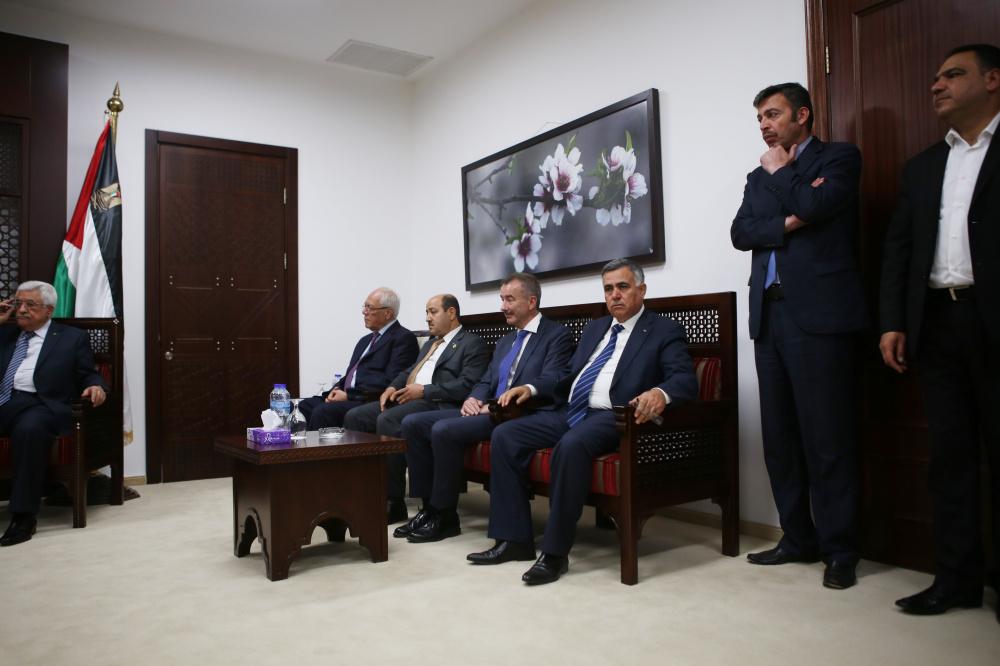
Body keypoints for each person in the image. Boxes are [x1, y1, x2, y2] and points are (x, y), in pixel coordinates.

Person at [466, 259, 697, 585]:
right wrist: (531, 388)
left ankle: (555, 553)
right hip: (570, 410)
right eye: (608, 289)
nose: (615, 295)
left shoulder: (662, 330)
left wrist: (659, 393)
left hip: (614, 415)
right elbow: (565, 375)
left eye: (623, 287)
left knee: (571, 446)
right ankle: (514, 540)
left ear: (642, 290)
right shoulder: (596, 328)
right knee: (506, 434)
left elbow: (684, 379)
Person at [879, 44, 1000, 619]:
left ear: (993, 80)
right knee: (949, 460)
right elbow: (899, 249)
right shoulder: (924, 166)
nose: (937, 85)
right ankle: (956, 580)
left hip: (993, 319)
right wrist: (893, 321)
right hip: (937, 324)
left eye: (953, 74)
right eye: (935, 77)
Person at [730, 82, 867, 590]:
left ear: (802, 114)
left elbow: (818, 204)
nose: (764, 126)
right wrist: (790, 220)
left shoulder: (839, 158)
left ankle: (840, 550)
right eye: (759, 118)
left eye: (772, 114)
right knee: (780, 440)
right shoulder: (757, 176)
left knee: (827, 438)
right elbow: (741, 233)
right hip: (769, 317)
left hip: (821, 317)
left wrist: (784, 179)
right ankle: (796, 538)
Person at [396, 273, 572, 543]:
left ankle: (444, 515)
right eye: (502, 299)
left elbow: (553, 378)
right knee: (413, 423)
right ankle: (428, 507)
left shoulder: (556, 336)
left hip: (516, 412)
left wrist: (508, 399)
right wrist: (474, 398)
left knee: (443, 430)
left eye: (510, 299)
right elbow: (486, 380)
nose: (503, 306)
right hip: (486, 409)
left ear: (531, 302)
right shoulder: (506, 341)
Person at [344, 294, 488, 524]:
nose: (428, 318)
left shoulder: (471, 343)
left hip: (437, 401)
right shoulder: (431, 343)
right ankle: (364, 491)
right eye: (426, 312)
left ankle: (393, 500)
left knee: (388, 420)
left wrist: (425, 391)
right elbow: (409, 370)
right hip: (410, 397)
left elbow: (467, 384)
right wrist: (392, 387)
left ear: (451, 313)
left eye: (433, 312)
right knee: (355, 416)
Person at [0, 281, 107, 547]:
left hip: (44, 405)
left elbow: (87, 372)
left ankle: (24, 516)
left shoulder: (71, 338)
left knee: (30, 428)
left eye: (30, 304)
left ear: (49, 310)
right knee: (21, 414)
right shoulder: (5, 334)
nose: (21, 310)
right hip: (7, 402)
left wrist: (97, 386)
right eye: (18, 303)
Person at [299, 288, 418, 429]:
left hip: (367, 400)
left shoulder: (403, 338)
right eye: (364, 307)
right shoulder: (365, 340)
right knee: (304, 405)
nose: (364, 312)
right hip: (350, 396)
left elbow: (391, 381)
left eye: (370, 308)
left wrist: (348, 395)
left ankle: (322, 445)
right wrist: (334, 391)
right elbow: (352, 375)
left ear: (387, 313)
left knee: (323, 411)